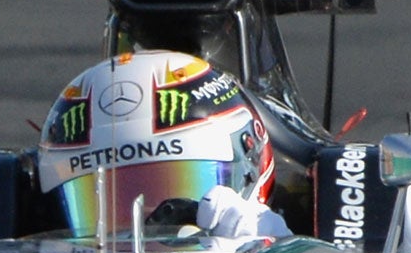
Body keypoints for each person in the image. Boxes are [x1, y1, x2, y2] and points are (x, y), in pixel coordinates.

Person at [37, 50, 291, 241]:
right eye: (115, 205)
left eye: (171, 188)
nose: (148, 235)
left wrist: (277, 251)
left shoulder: (263, 231)